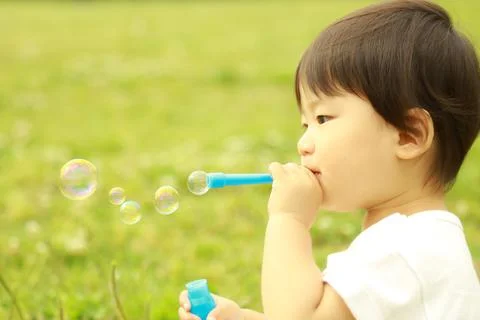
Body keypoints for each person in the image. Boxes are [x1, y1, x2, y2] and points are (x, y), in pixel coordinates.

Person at [178, 0, 480, 319]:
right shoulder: (418, 241)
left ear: (408, 135)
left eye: (322, 119)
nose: (303, 143)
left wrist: (289, 220)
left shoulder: (400, 252)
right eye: (305, 125)